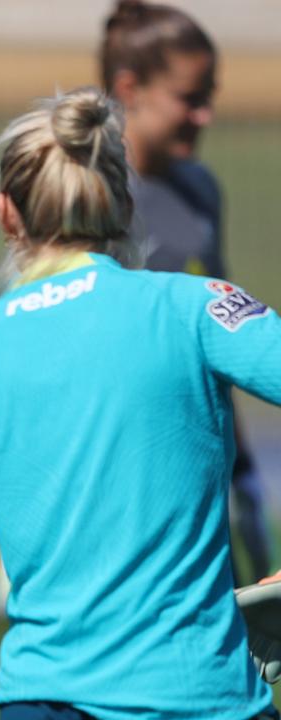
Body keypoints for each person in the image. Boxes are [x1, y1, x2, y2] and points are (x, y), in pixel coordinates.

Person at [0, 87, 281, 720]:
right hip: (205, 698)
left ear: (7, 215)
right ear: (126, 205)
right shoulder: (196, 308)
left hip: (47, 701)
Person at [101, 0, 272, 584]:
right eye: (190, 99)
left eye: (210, 98)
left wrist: (242, 473)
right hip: (119, 471)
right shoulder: (86, 194)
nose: (205, 117)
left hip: (200, 453)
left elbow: (222, 330)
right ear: (130, 88)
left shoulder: (200, 189)